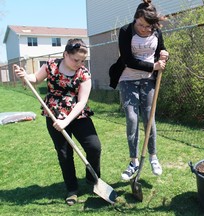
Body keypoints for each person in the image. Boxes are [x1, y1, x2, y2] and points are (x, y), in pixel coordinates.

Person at [14, 38, 102, 206]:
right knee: (64, 153)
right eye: (76, 59)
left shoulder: (84, 73)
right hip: (54, 114)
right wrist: (25, 76)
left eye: (82, 60)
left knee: (94, 147)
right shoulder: (51, 65)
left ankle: (93, 180)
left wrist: (67, 121)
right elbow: (35, 79)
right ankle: (72, 189)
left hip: (78, 114)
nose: (79, 63)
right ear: (65, 54)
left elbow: (82, 102)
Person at [118, 0, 169, 181]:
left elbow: (161, 50)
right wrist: (154, 66)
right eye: (140, 25)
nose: (143, 29)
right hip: (127, 79)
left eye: (147, 27)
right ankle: (133, 162)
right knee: (132, 118)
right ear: (135, 20)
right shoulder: (125, 31)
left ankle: (153, 157)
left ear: (153, 24)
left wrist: (164, 55)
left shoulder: (157, 32)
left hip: (148, 81)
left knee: (149, 118)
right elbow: (128, 60)